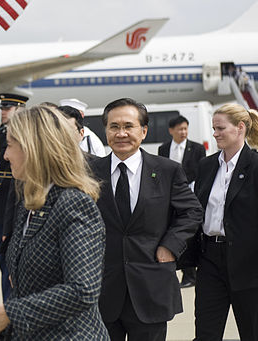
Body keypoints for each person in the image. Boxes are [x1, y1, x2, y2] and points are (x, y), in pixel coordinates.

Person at [0, 105, 108, 340]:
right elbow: (27, 288)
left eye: (10, 145)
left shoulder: (73, 204)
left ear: (34, 148)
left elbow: (82, 291)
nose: (5, 155)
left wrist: (9, 313)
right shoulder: (32, 201)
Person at [90, 98, 202, 341]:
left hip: (151, 286)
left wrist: (170, 246)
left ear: (143, 131)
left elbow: (191, 211)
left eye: (128, 126)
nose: (121, 133)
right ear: (105, 130)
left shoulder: (166, 170)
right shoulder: (88, 172)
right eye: (114, 126)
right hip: (101, 289)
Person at [189, 103, 258, 341]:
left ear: (240, 128)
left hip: (251, 265)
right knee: (206, 334)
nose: (215, 134)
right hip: (210, 261)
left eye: (220, 128)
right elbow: (195, 211)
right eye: (214, 128)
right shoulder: (206, 166)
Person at [0, 92, 28, 302]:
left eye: (7, 108)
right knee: (2, 260)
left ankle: (12, 305)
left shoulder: (24, 134)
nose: (2, 112)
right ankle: (7, 304)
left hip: (16, 200)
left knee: (14, 262)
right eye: (2, 109)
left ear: (19, 110)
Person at [158, 114, 207, 288]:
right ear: (171, 130)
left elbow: (200, 172)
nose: (183, 132)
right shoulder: (163, 149)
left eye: (185, 128)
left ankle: (190, 274)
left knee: (188, 233)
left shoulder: (197, 149)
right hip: (169, 198)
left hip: (190, 195)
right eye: (180, 129)